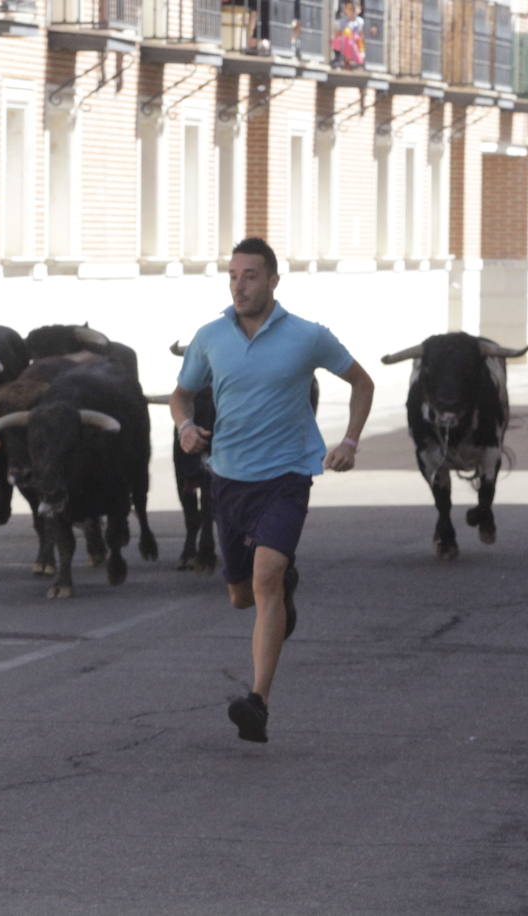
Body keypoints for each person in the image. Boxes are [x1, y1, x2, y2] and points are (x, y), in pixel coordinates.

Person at [169, 237, 375, 744]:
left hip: (287, 475)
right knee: (242, 596)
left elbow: (362, 383)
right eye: (233, 276)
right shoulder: (211, 335)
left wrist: (349, 441)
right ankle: (282, 592)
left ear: (274, 280)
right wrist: (185, 427)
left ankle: (257, 702)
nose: (240, 285)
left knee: (266, 578)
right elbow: (181, 395)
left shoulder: (307, 336)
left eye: (251, 276)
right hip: (229, 478)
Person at [331, 1, 365, 68]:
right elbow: (337, 35)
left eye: (353, 9)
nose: (351, 11)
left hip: (356, 44)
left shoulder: (360, 22)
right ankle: (339, 60)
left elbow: (361, 36)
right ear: (345, 9)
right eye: (349, 9)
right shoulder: (342, 22)